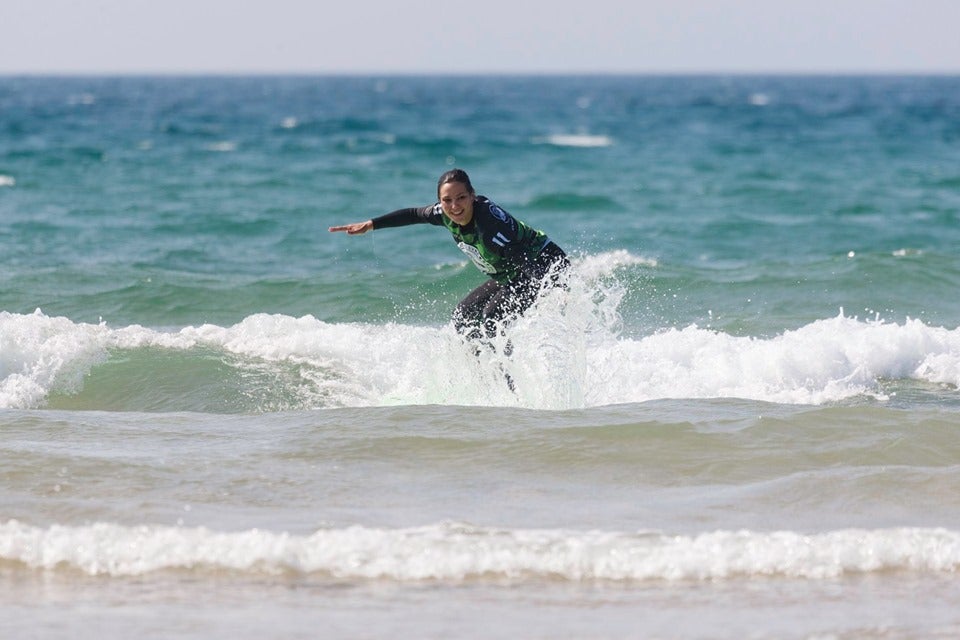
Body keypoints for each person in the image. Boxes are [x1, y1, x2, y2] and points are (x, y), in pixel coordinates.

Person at [329, 169, 569, 342]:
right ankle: (485, 376)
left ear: (472, 196)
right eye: (447, 200)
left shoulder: (489, 230)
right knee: (462, 317)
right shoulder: (443, 214)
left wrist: (558, 291)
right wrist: (371, 224)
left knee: (492, 318)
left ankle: (510, 383)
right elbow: (413, 214)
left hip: (543, 265)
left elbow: (523, 260)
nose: (454, 206)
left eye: (461, 198)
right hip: (510, 272)